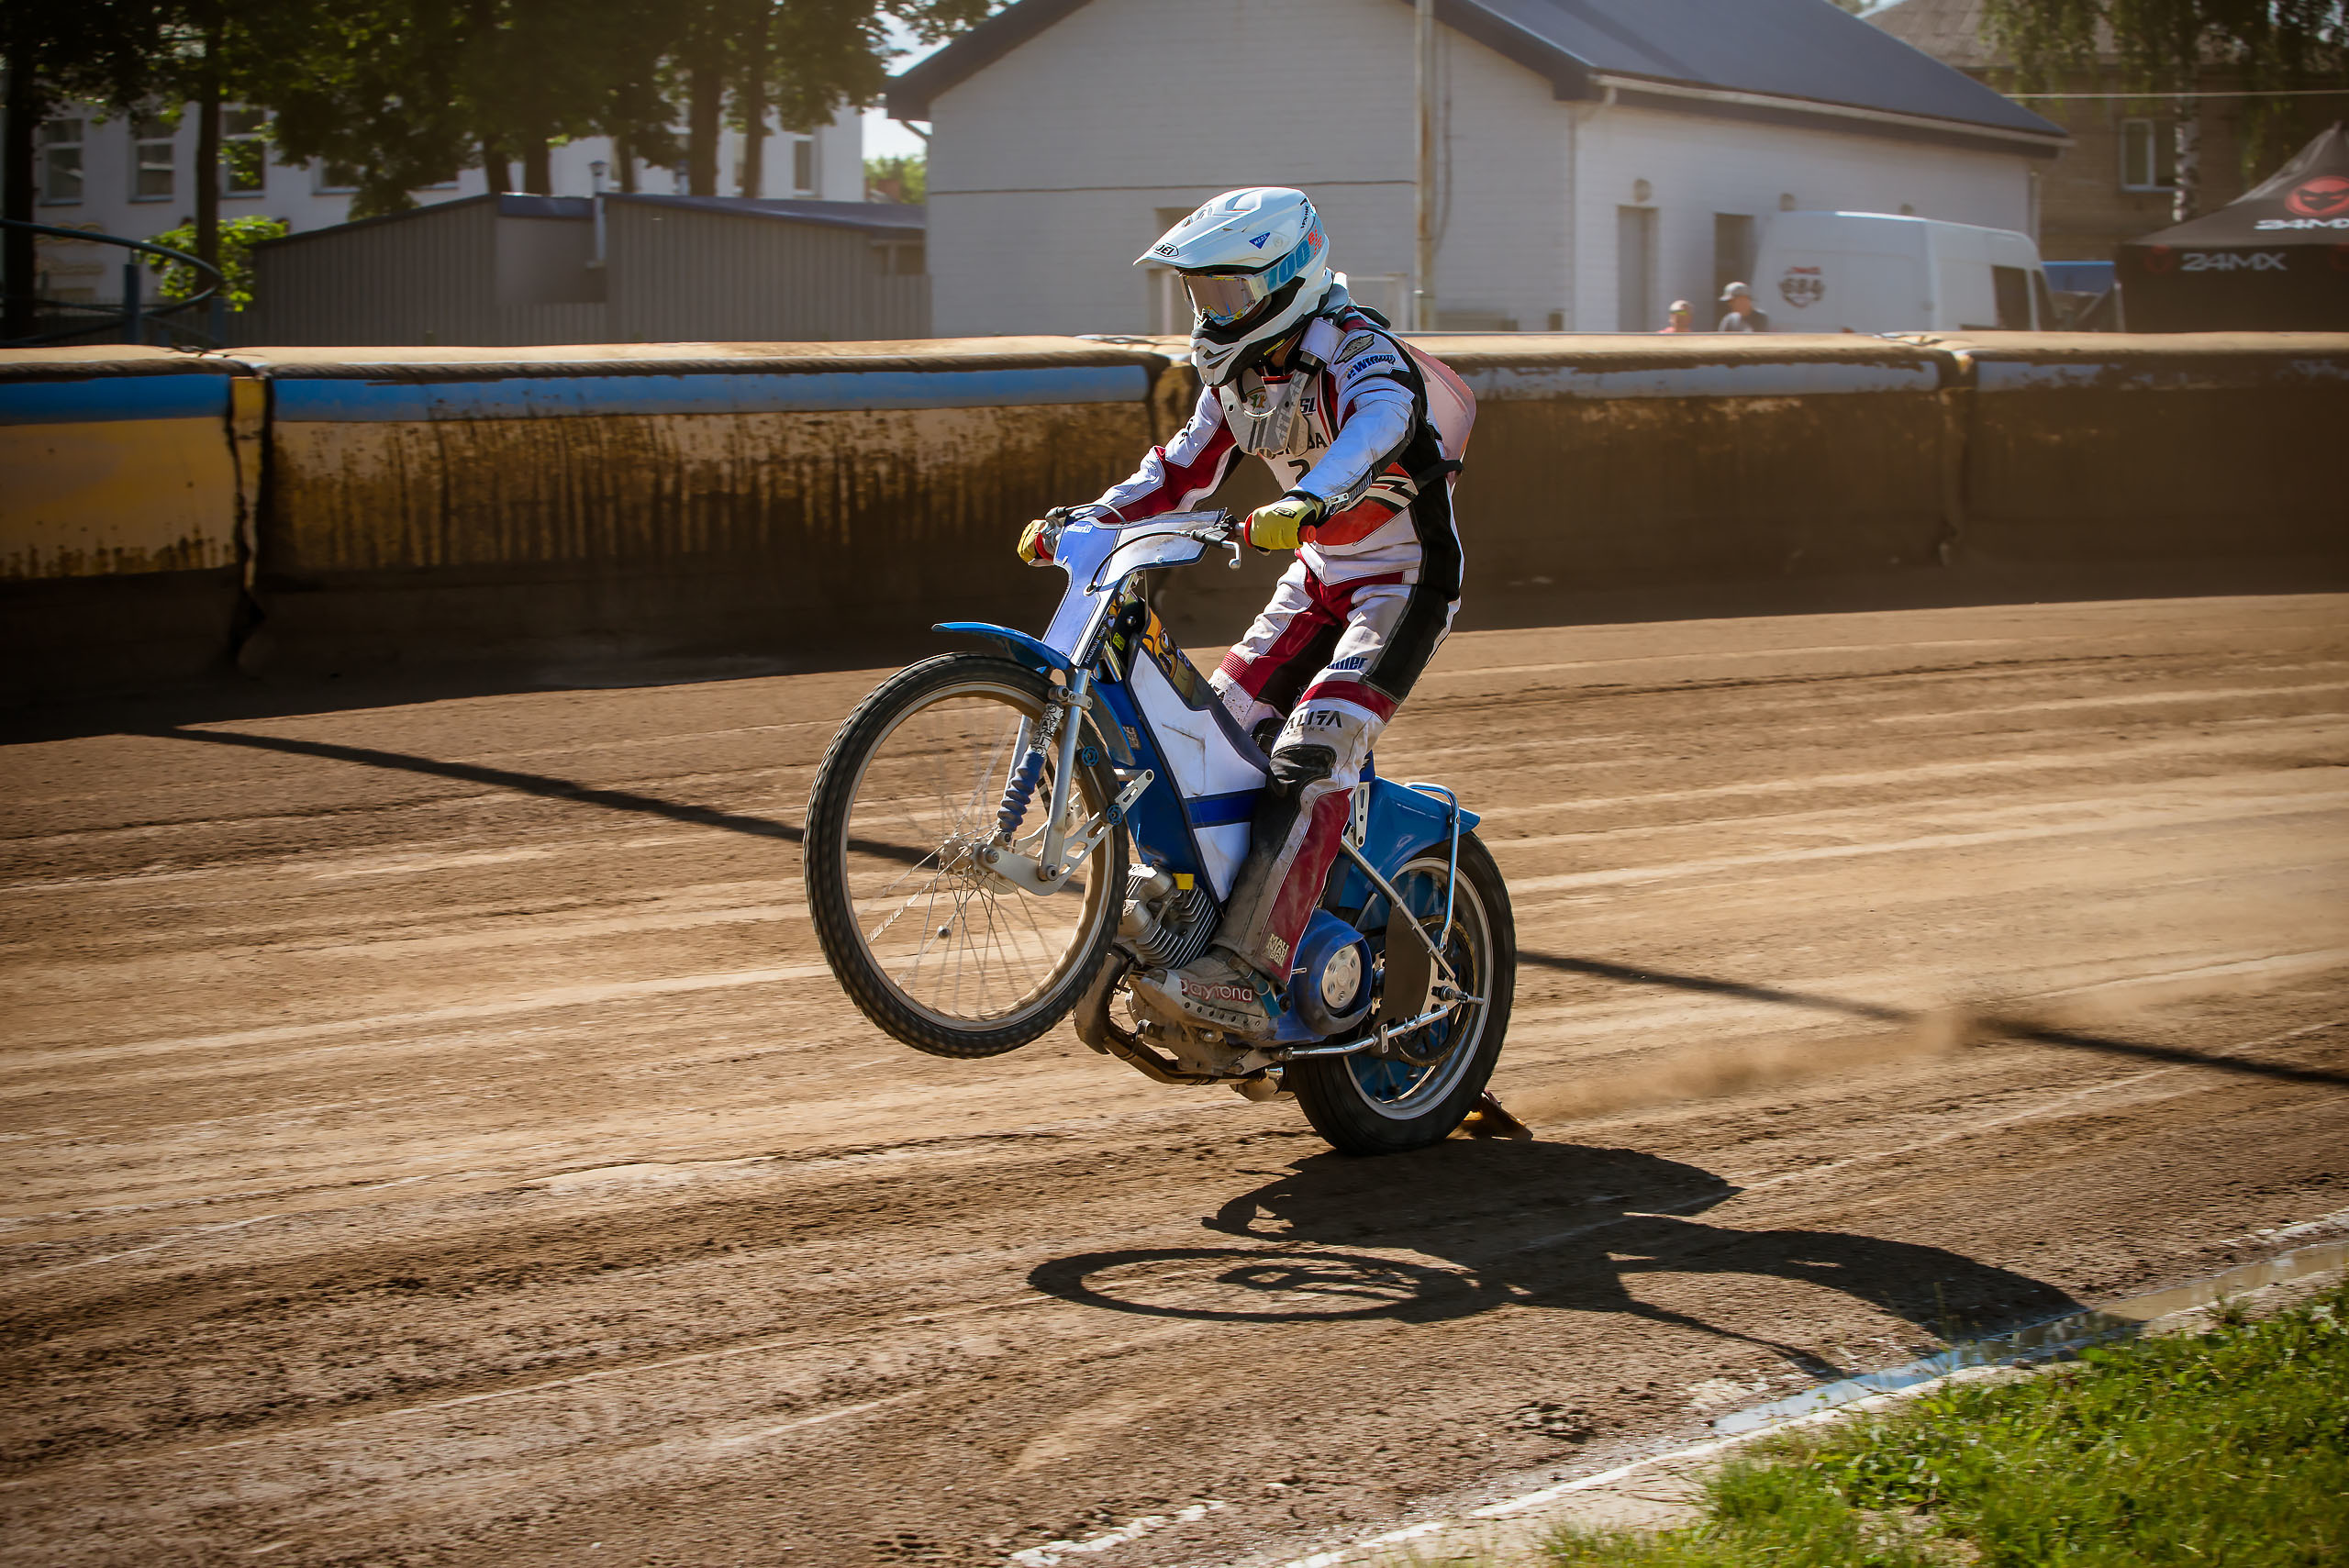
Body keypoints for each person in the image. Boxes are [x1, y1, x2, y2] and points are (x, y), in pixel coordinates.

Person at [1016, 187, 1473, 1039]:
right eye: (1201, 295)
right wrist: (1087, 519)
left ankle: (1253, 974)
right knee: (1213, 749)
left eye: (1228, 292)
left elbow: (1379, 426)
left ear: (1288, 277)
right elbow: (1178, 473)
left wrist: (1307, 497)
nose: (1212, 312)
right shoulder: (1232, 376)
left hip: (1404, 581)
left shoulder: (1359, 350)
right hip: (1317, 577)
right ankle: (1188, 930)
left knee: (1314, 750)